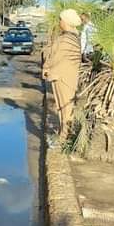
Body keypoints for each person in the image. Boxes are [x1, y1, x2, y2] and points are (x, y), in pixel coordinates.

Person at [43, 9, 83, 139]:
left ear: (66, 21)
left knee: (65, 107)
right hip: (66, 75)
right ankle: (64, 133)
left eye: (60, 20)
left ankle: (66, 135)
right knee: (64, 107)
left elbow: (56, 57)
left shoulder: (66, 39)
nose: (59, 22)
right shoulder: (73, 37)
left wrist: (46, 67)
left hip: (63, 77)